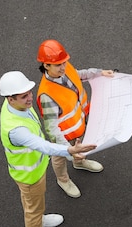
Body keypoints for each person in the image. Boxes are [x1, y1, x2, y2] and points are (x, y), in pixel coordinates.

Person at [0, 71, 97, 227]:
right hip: (29, 177)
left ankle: (40, 219)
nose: (30, 98)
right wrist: (70, 150)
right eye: (24, 96)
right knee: (32, 210)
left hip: (35, 170)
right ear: (10, 99)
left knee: (34, 206)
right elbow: (42, 145)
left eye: (29, 92)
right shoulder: (16, 130)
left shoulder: (13, 106)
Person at [36, 39, 115, 198]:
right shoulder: (47, 95)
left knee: (80, 146)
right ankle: (63, 180)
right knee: (59, 158)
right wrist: (68, 151)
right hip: (62, 137)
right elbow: (52, 129)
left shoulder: (65, 69)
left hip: (78, 126)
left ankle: (79, 163)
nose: (63, 67)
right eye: (58, 65)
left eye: (64, 62)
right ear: (46, 65)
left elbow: (78, 75)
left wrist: (99, 73)